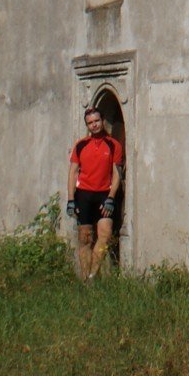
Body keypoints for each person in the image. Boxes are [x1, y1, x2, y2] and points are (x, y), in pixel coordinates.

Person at [65, 105, 124, 279]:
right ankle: (84, 280)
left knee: (104, 236)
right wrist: (70, 200)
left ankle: (92, 275)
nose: (94, 125)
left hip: (104, 195)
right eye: (90, 123)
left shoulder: (113, 145)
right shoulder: (81, 145)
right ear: (87, 125)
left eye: (97, 121)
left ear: (103, 121)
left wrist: (111, 197)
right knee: (85, 239)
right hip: (83, 195)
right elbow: (73, 172)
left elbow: (117, 173)